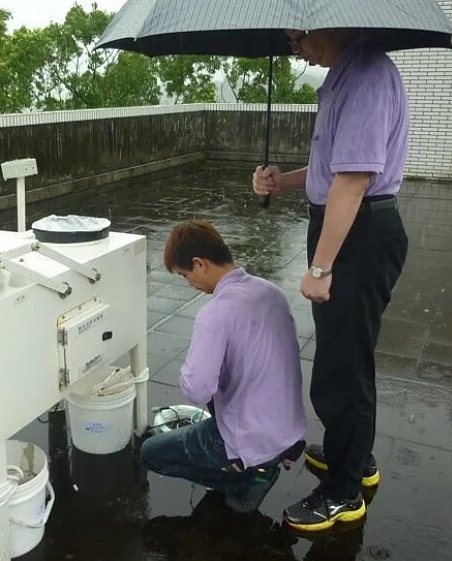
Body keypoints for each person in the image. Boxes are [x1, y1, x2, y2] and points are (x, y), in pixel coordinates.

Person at [253, 28, 409, 531]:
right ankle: (355, 459)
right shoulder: (345, 76)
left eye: (298, 35)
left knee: (342, 369)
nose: (292, 46)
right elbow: (331, 168)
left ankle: (342, 493)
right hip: (352, 226)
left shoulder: (364, 76)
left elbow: (354, 180)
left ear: (334, 23)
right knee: (349, 357)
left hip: (357, 234)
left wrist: (320, 268)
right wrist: (284, 180)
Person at [140, 220, 306, 513]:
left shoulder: (215, 313)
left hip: (253, 435)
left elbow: (197, 388)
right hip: (288, 428)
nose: (188, 284)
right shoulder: (270, 292)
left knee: (151, 453)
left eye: (184, 275)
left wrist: (190, 369)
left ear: (199, 263)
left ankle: (247, 479)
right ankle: (259, 465)